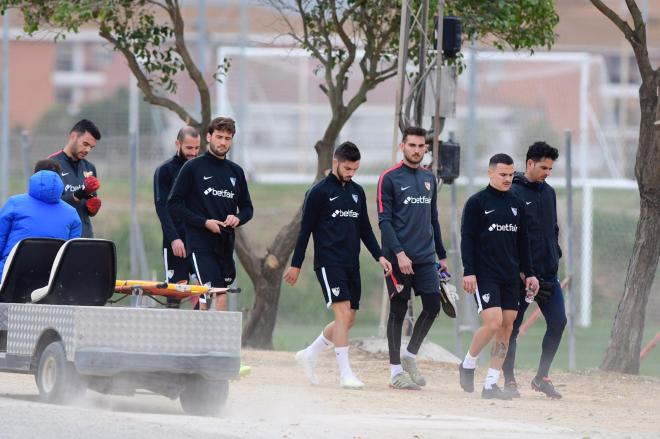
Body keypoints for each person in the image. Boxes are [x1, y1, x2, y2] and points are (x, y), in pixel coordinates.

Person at [284, 142, 392, 389]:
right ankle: (345, 375)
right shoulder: (318, 192)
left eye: (355, 169)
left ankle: (308, 355)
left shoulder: (357, 192)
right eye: (347, 168)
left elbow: (365, 228)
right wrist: (296, 264)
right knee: (342, 316)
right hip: (328, 262)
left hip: (350, 263)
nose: (351, 173)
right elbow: (305, 232)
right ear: (335, 162)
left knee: (349, 319)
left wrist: (380, 255)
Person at [459, 153, 539, 400]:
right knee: (492, 322)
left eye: (510, 175)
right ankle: (468, 364)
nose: (507, 179)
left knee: (507, 325)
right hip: (485, 274)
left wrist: (530, 274)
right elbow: (467, 239)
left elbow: (523, 242)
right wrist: (469, 271)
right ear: (490, 173)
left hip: (510, 275)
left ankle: (491, 384)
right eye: (502, 174)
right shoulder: (477, 202)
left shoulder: (517, 204)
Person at [377, 126, 450, 390]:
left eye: (421, 147)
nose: (417, 150)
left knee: (433, 307)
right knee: (398, 310)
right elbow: (384, 221)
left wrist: (441, 255)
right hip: (397, 259)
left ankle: (409, 356)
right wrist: (399, 254)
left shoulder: (429, 178)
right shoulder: (389, 178)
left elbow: (433, 220)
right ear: (402, 146)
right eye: (412, 145)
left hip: (425, 258)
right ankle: (395, 372)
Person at [168, 117, 253, 311]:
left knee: (208, 297)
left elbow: (248, 209)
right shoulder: (192, 168)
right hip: (200, 244)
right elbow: (173, 204)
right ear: (208, 137)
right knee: (219, 293)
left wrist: (237, 218)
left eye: (227, 138)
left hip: (225, 245)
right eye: (219, 137)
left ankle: (199, 339)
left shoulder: (236, 172)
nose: (223, 142)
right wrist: (204, 222)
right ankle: (216, 342)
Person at [502, 142, 566, 399]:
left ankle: (542, 376)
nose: (547, 172)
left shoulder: (549, 193)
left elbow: (553, 230)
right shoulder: (512, 193)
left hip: (548, 275)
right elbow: (509, 238)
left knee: (559, 322)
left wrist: (555, 256)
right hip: (521, 278)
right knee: (511, 329)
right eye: (543, 167)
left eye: (550, 168)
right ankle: (508, 380)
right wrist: (522, 272)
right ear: (529, 163)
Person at [0, 168, 82, 280]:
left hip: (10, 276)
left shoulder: (15, 203)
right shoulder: (72, 213)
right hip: (51, 281)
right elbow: (72, 254)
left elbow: (1, 237)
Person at [153, 126, 201, 308]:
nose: (193, 153)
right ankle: (172, 333)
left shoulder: (201, 170)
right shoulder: (164, 171)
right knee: (175, 295)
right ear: (177, 144)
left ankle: (198, 333)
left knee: (205, 292)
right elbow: (161, 207)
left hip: (198, 243)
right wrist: (174, 238)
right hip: (176, 244)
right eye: (189, 148)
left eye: (197, 148)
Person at [48, 119, 102, 238]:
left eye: (91, 147)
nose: (88, 150)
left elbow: (89, 209)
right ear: (73, 136)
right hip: (59, 237)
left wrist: (92, 207)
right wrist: (77, 195)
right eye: (85, 144)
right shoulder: (50, 164)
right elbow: (47, 205)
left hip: (84, 236)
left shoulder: (89, 167)